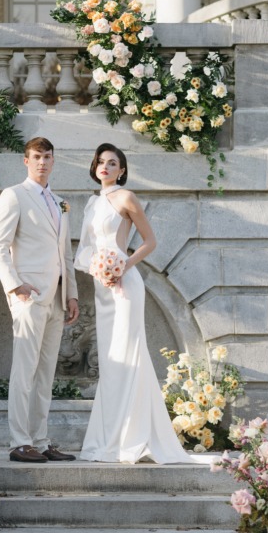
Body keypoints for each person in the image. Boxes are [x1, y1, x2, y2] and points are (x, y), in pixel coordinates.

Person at [75, 143, 193, 464]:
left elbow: (150, 241)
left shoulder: (125, 198)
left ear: (122, 170)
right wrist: (97, 266)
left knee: (128, 354)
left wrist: (122, 265)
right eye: (100, 162)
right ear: (95, 167)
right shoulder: (91, 203)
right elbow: (84, 249)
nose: (105, 167)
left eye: (112, 163)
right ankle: (108, 438)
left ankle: (129, 438)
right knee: (112, 361)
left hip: (125, 284)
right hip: (102, 285)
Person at [0, 136, 80, 463]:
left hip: (56, 299)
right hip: (29, 296)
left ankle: (41, 441)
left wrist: (71, 295)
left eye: (47, 157)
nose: (42, 162)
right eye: (37, 157)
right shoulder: (14, 195)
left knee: (46, 375)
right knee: (24, 372)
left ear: (54, 161)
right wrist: (15, 286)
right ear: (26, 161)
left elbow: (65, 254)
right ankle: (19, 441)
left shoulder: (59, 202)